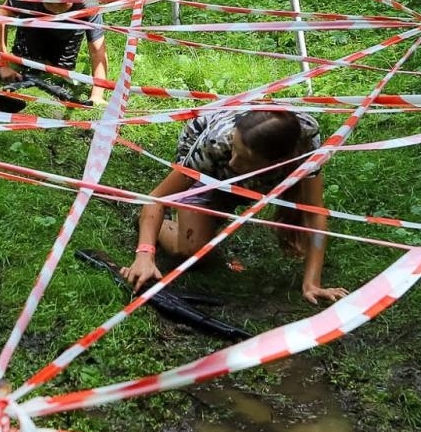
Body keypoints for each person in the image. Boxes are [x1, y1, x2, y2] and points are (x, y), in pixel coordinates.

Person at [124, 109, 348, 305]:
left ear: (277, 162)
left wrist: (312, 283)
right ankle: (156, 224)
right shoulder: (215, 145)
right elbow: (157, 197)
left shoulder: (305, 148)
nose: (233, 163)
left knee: (225, 209)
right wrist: (145, 255)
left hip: (260, 171)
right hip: (206, 157)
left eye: (245, 157)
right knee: (191, 251)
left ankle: (215, 208)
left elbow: (314, 212)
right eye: (235, 148)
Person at [0, 0, 108, 106]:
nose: (56, 10)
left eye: (62, 5)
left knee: (59, 70)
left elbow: (97, 48)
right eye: (51, 5)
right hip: (36, 16)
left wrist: (97, 95)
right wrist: (2, 64)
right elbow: (0, 16)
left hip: (71, 24)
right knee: (27, 60)